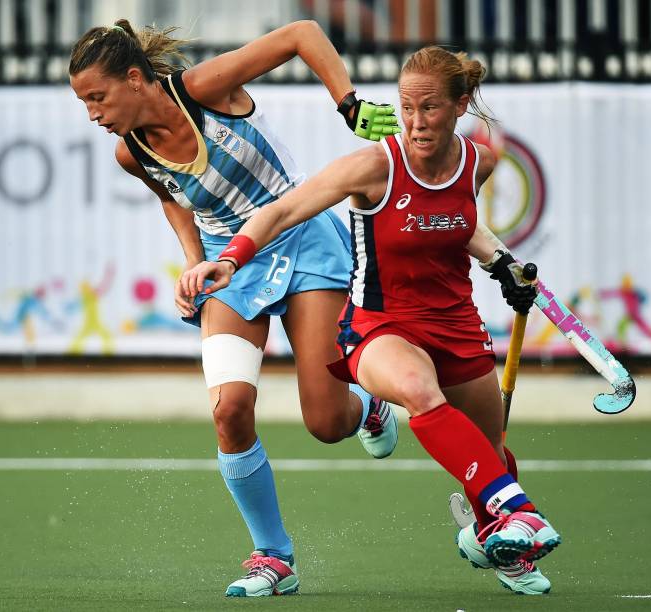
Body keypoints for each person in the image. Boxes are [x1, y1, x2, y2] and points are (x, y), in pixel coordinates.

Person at [181, 45, 562, 596]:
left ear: (460, 106)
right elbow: (284, 210)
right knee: (415, 388)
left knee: (490, 450)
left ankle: (499, 537)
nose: (416, 122)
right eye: (406, 108)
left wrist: (500, 260)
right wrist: (230, 257)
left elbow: (455, 218)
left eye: (429, 109)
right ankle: (518, 512)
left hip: (454, 321)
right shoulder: (375, 165)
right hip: (382, 325)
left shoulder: (482, 161)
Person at [69, 19, 402, 597]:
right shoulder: (131, 154)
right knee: (228, 411)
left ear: (133, 78)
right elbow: (173, 200)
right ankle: (273, 556)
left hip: (303, 237)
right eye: (84, 104)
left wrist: (347, 103)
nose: (93, 114)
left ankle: (368, 406)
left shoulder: (202, 88)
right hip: (233, 264)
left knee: (326, 423)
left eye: (97, 97)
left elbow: (302, 33)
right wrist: (193, 261)